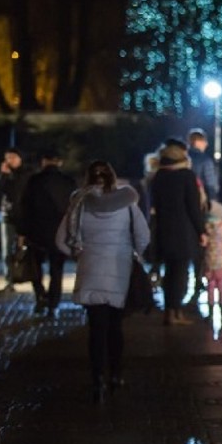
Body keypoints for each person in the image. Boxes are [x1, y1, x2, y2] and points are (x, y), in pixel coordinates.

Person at [56, 161, 150, 403]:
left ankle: (97, 379)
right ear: (112, 176)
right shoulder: (127, 202)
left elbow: (60, 240)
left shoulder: (78, 203)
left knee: (96, 329)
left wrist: (79, 254)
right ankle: (116, 375)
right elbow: (143, 234)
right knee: (115, 327)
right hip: (120, 268)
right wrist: (135, 253)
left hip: (90, 269)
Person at [149, 138, 208, 326]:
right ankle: (177, 312)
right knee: (181, 274)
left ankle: (169, 311)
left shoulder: (158, 177)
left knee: (169, 273)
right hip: (183, 232)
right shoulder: (186, 176)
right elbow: (193, 207)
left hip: (163, 231)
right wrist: (201, 230)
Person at [19, 149, 77, 318]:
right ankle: (53, 303)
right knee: (56, 270)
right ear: (59, 162)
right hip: (60, 233)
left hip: (36, 232)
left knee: (35, 268)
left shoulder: (34, 181)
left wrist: (22, 232)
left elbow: (24, 208)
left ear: (43, 161)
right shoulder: (68, 182)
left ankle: (40, 297)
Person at [0, 148, 33, 293]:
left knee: (25, 250)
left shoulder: (27, 174)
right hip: (8, 215)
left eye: (14, 157)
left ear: (20, 158)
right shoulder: (5, 175)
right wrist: (2, 175)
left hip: (25, 216)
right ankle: (9, 281)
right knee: (6, 250)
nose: (11, 161)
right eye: (8, 158)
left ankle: (30, 277)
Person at [187, 128, 218, 301]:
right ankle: (199, 279)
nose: (206, 144)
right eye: (204, 141)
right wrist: (212, 203)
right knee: (201, 243)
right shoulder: (204, 160)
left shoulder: (185, 159)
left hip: (184, 208)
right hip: (201, 207)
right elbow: (211, 185)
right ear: (198, 141)